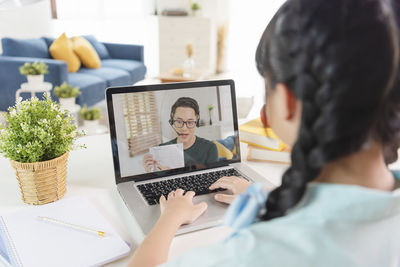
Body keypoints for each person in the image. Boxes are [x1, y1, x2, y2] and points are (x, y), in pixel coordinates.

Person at [130, 0, 400, 266]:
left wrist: (169, 219)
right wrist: (270, 197)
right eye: (179, 122)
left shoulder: (251, 255)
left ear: (288, 101)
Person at [142, 97, 218, 172]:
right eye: (179, 121)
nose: (184, 128)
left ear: (196, 122)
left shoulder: (210, 148)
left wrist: (171, 173)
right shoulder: (162, 149)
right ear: (172, 122)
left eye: (190, 122)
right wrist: (150, 173)